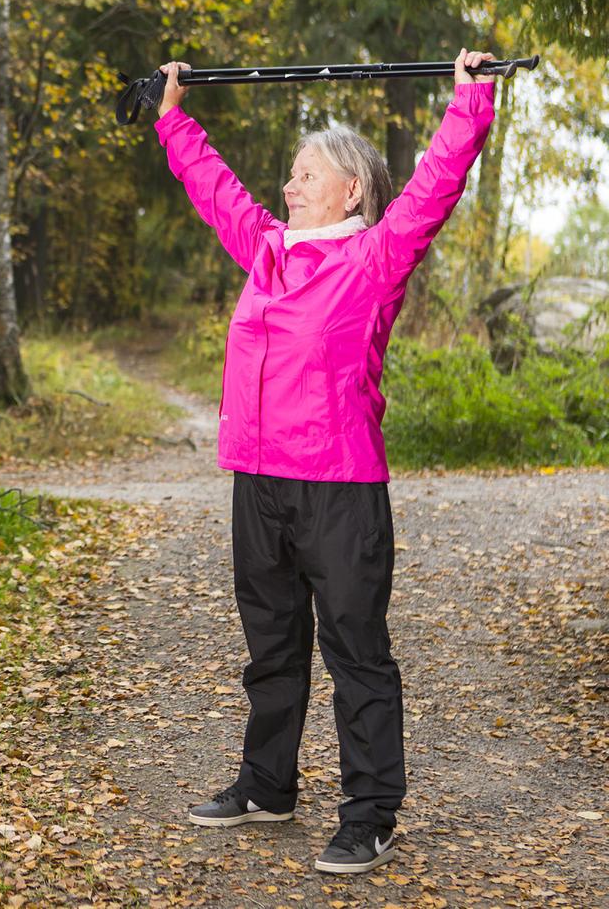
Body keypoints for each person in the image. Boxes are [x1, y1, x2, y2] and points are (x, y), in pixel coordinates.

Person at [154, 49, 497, 874]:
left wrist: (470, 103)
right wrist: (171, 118)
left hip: (340, 487)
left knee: (355, 651)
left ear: (352, 191)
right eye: (292, 174)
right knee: (270, 646)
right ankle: (267, 784)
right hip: (259, 483)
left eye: (309, 174)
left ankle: (370, 811)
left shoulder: (375, 259)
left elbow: (434, 187)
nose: (290, 185)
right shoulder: (267, 250)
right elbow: (218, 189)